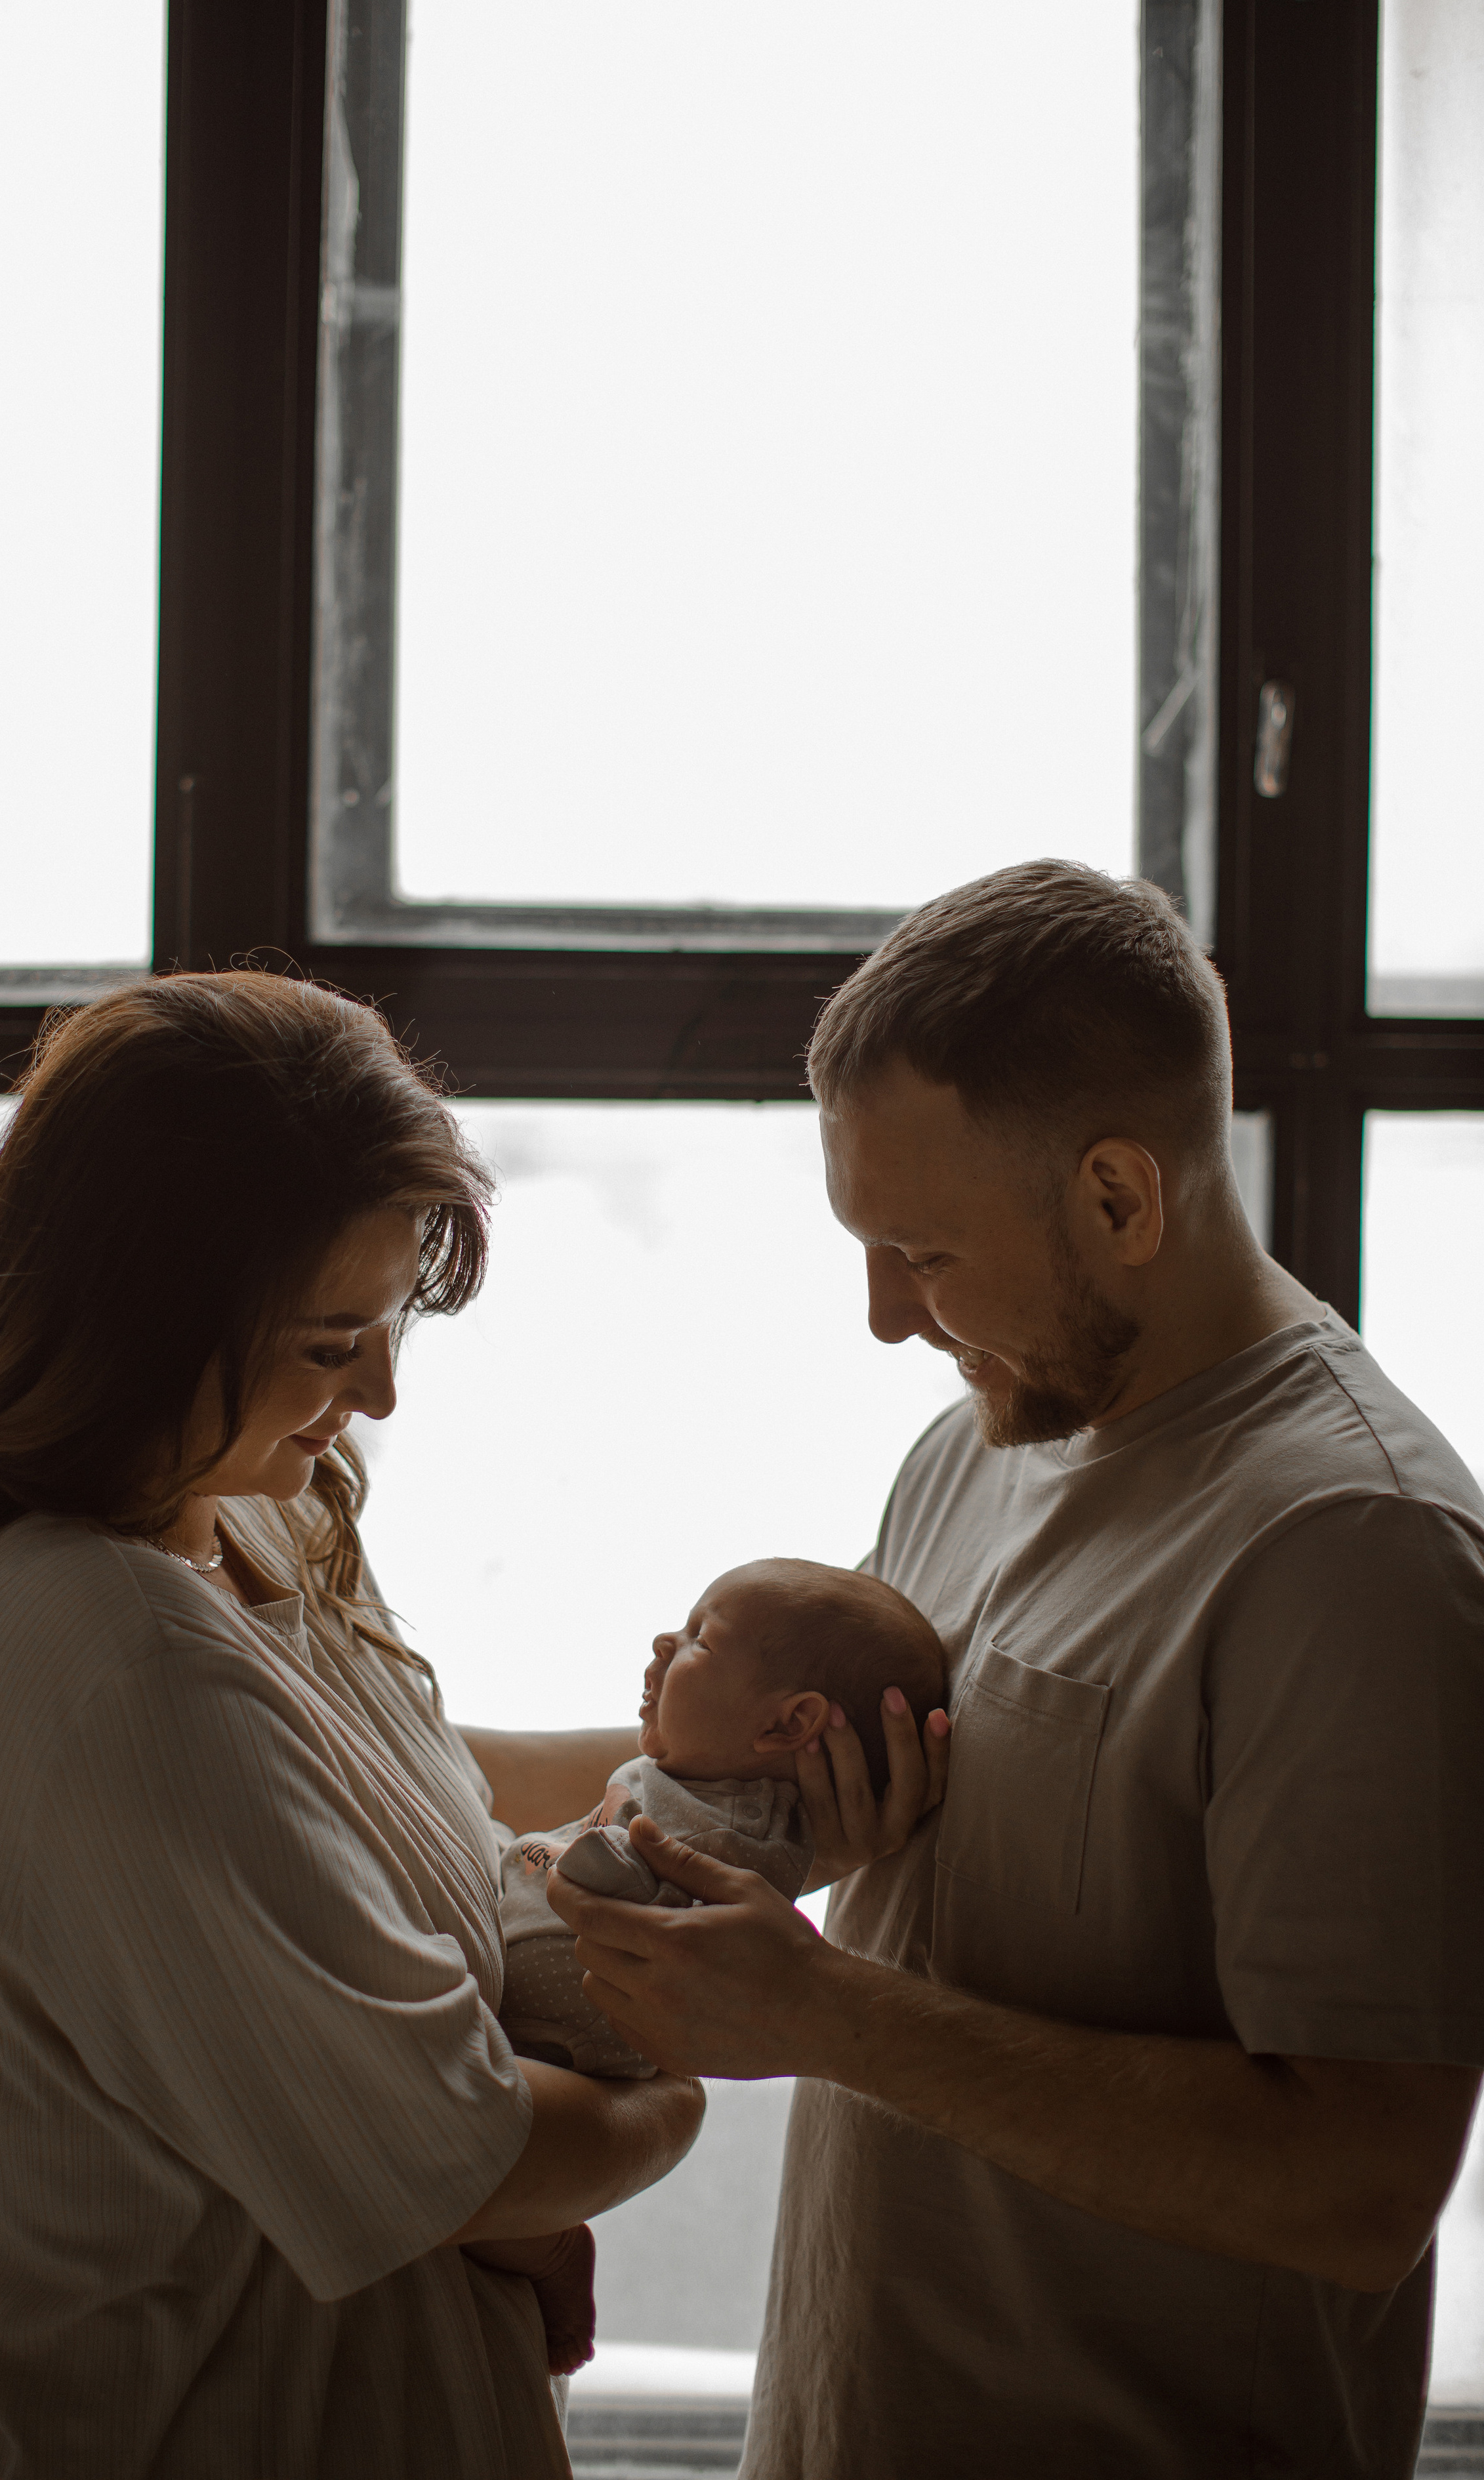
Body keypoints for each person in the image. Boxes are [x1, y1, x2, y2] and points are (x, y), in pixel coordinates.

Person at [548, 863, 1484, 2480]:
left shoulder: (1352, 1550)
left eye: (920, 1250)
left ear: (1119, 1199)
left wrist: (825, 2010)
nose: (880, 1315)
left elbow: (1354, 2183)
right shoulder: (977, 1439)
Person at [0, 971, 706, 2480]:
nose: (374, 1393)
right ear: (146, 1323)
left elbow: (401, 1783)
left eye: (384, 1328)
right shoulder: (104, 1658)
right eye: (323, 1342)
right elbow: (465, 2156)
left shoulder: (240, 1518)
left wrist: (726, 1772)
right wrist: (696, 2063)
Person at [498, 1559, 946, 2075]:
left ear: (787, 1723)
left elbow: (637, 1893)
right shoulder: (689, 1778)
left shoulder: (732, 1836)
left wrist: (565, 1856)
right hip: (509, 1928)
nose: (663, 1642)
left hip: (538, 2014)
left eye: (701, 1640)